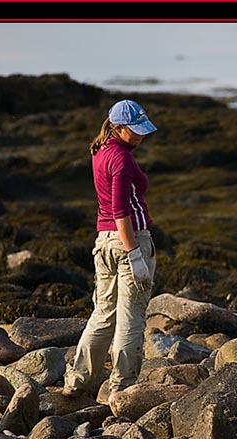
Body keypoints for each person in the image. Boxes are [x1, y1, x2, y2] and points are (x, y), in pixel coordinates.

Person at [62, 99, 158, 400]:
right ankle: (123, 389)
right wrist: (135, 254)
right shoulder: (122, 159)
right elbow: (120, 211)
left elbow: (111, 212)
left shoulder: (100, 153)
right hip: (129, 239)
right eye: (135, 130)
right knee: (131, 318)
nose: (141, 135)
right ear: (118, 127)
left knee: (103, 313)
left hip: (103, 241)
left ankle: (77, 382)